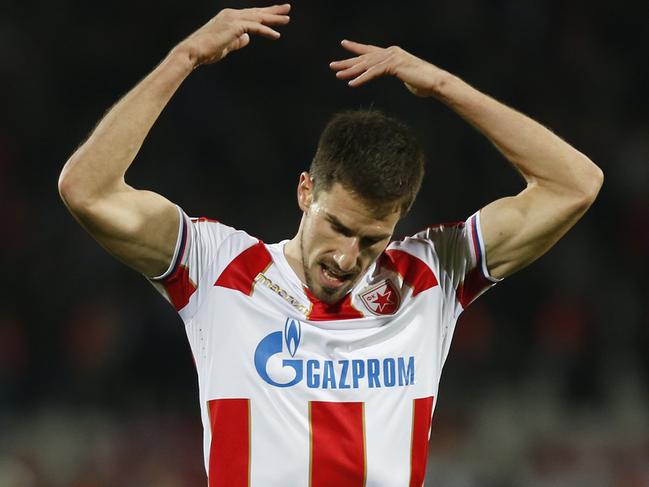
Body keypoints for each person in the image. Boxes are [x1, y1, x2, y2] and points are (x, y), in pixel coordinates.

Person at [58, 4, 603, 486]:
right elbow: (87, 190)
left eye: (371, 239)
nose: (347, 258)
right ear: (305, 191)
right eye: (338, 227)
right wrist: (184, 58)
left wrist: (443, 86)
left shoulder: (430, 275)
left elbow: (574, 183)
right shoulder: (217, 265)